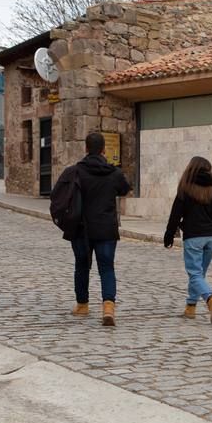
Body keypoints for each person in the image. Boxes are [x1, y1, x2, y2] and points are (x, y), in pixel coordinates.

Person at [55, 132, 131, 326]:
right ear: (104, 149)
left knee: (82, 266)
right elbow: (125, 188)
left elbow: (56, 195)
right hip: (106, 229)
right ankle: (108, 307)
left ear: (86, 149)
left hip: (81, 228)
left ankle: (82, 305)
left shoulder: (74, 172)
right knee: (106, 267)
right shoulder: (114, 173)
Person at [163, 156, 212, 325]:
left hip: (194, 237)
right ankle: (190, 308)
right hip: (211, 238)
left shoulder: (185, 188)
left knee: (195, 274)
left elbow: (175, 215)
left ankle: (211, 300)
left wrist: (168, 237)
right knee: (199, 274)